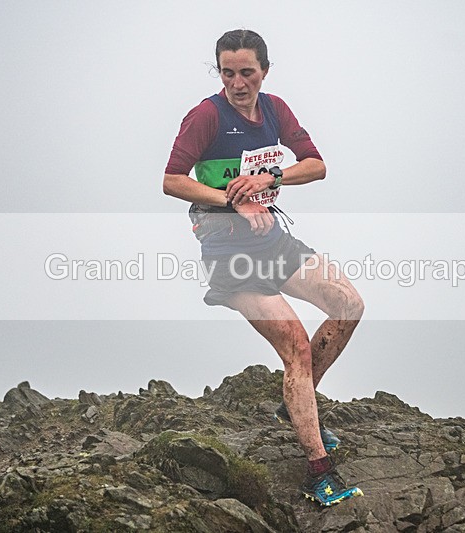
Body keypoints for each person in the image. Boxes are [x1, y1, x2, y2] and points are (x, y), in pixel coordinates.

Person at [163, 29, 365, 507]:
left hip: (274, 241)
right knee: (295, 345)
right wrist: (232, 201)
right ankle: (319, 473)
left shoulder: (275, 109)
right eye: (227, 72)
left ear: (264, 72)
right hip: (229, 255)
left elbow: (316, 165)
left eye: (246, 72)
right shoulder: (205, 116)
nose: (237, 82)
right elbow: (171, 180)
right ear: (220, 74)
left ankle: (296, 404)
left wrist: (271, 177)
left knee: (349, 304)